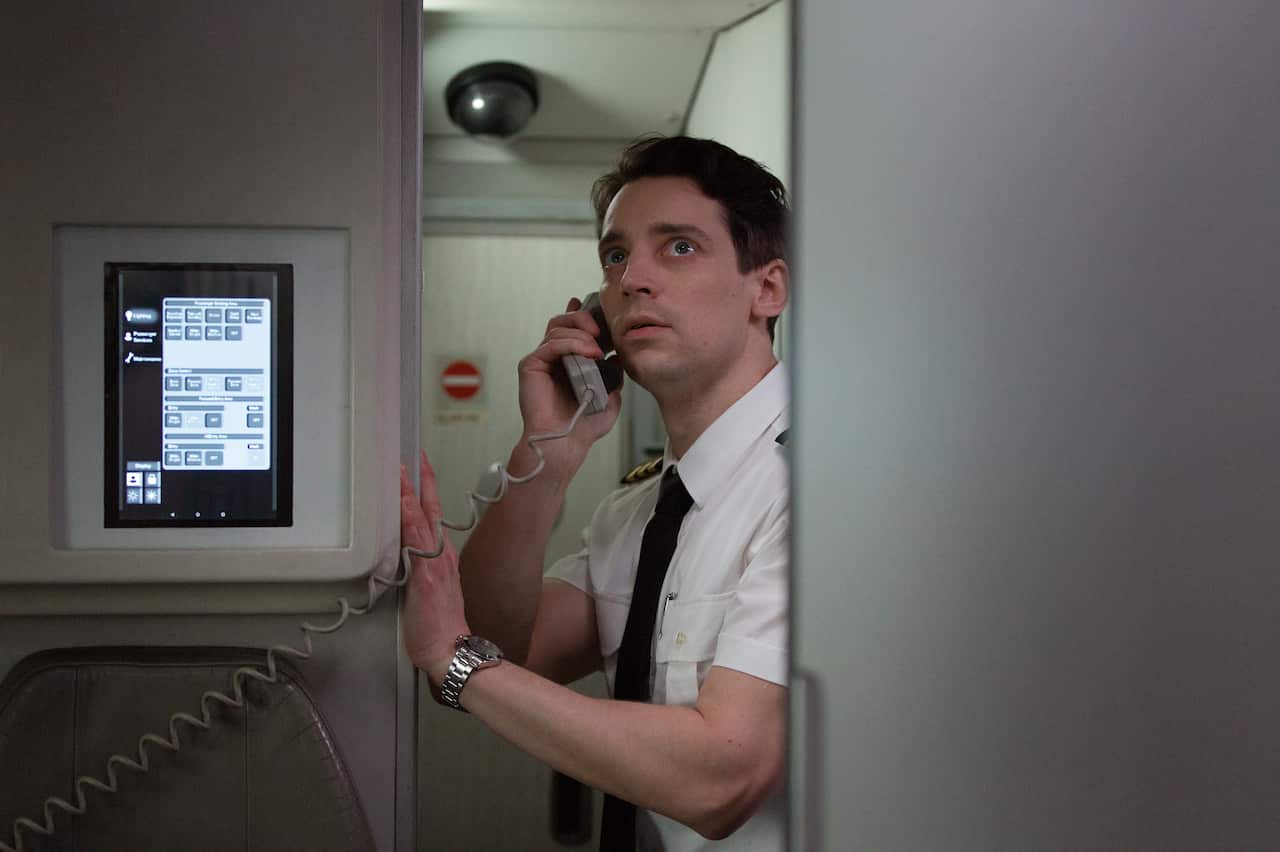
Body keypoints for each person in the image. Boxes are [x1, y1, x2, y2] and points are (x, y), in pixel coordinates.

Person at [400, 135, 790, 851]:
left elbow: (721, 781)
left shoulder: (821, 495)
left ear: (765, 289)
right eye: (615, 255)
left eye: (678, 248)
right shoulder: (637, 511)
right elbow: (500, 649)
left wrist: (455, 662)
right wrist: (547, 454)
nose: (632, 277)